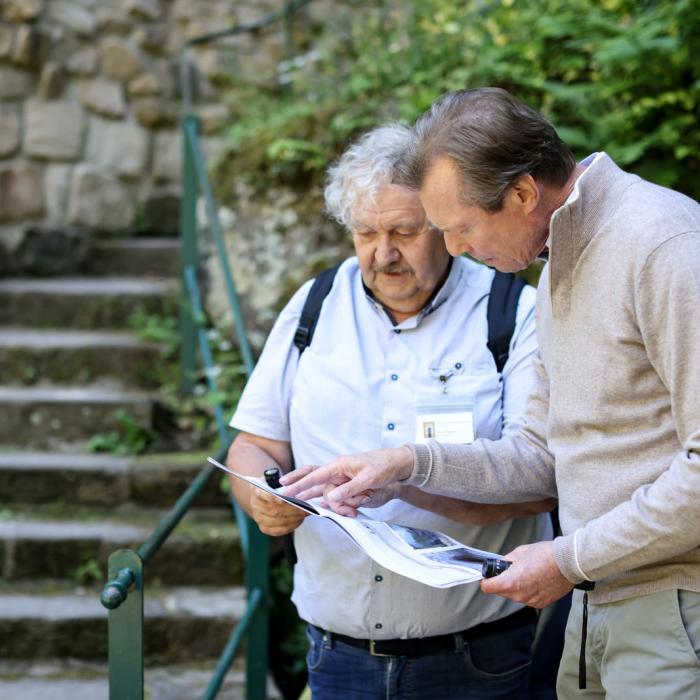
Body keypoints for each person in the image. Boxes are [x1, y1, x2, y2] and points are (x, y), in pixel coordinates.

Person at [282, 88, 700, 699]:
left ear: (524, 194)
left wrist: (565, 560)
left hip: (674, 609)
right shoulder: (559, 258)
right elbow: (539, 457)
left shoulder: (662, 242)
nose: (453, 249)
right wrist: (405, 466)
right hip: (598, 607)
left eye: (461, 228)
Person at [227, 123, 556, 699]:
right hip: (336, 656)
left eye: (405, 231)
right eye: (365, 232)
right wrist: (262, 496)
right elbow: (255, 444)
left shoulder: (514, 312)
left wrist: (406, 481)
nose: (383, 254)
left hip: (479, 658)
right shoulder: (314, 305)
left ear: (445, 225)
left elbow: (544, 481)